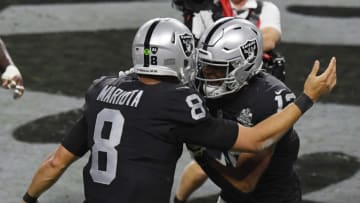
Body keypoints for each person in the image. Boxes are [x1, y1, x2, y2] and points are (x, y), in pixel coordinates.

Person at [21, 17, 336, 203]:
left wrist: (27, 200)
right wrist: (307, 98)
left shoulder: (102, 88)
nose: (202, 74)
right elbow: (249, 143)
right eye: (201, 64)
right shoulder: (178, 101)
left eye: (214, 69)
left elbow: (55, 162)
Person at [174, 17, 304, 203]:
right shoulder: (204, 85)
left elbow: (244, 184)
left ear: (243, 66)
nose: (207, 73)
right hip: (229, 193)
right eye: (204, 64)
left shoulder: (269, 100)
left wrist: (199, 151)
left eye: (217, 67)